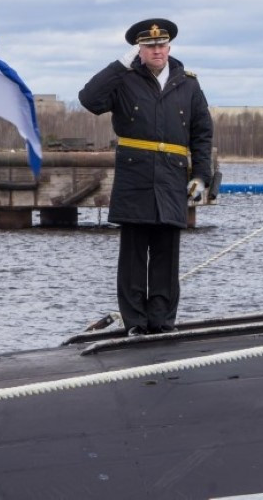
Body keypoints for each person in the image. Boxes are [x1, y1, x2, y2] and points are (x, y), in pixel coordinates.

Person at [78, 18, 214, 335]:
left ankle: (162, 322)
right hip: (135, 177)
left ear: (169, 47)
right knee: (133, 257)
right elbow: (89, 99)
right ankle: (136, 323)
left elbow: (202, 134)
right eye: (149, 46)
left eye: (161, 45)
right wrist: (120, 65)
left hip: (172, 178)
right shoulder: (124, 80)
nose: (157, 50)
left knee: (167, 255)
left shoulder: (188, 85)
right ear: (139, 50)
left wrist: (201, 176)